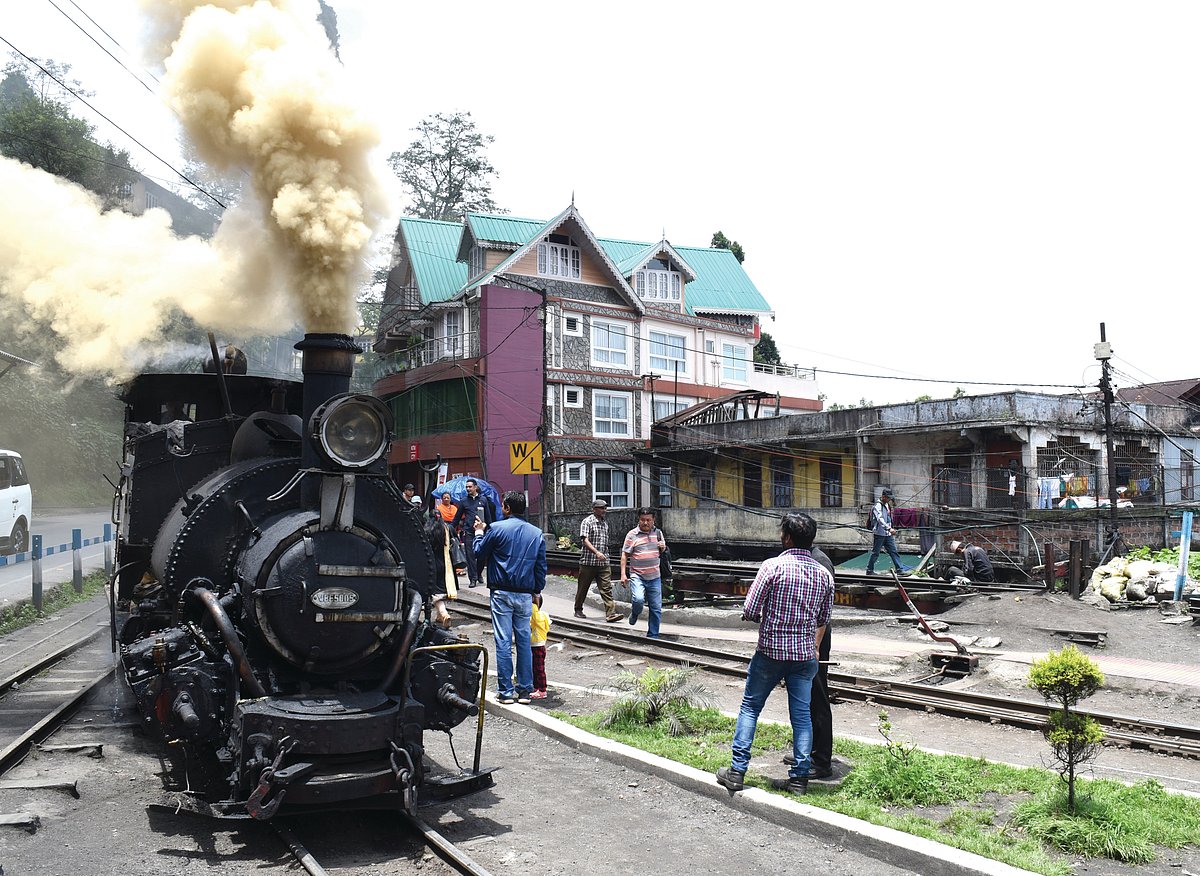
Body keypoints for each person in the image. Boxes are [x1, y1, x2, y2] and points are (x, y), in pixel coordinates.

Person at [716, 513, 833, 797]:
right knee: (802, 716)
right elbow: (824, 618)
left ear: (787, 537)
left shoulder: (772, 567)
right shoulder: (823, 574)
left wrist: (770, 617)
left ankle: (736, 772)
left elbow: (751, 610)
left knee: (750, 708)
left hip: (771, 652)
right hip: (805, 656)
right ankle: (799, 780)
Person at [473, 490, 546, 705]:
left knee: (503, 641)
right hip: (525, 595)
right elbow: (541, 567)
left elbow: (479, 552)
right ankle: (525, 690)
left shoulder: (495, 528)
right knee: (524, 641)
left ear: (506, 508)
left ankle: (506, 692)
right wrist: (537, 591)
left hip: (501, 592)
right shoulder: (536, 533)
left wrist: (479, 532)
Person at [783, 545, 838, 781]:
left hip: (813, 640)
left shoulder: (820, 562)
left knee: (817, 697)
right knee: (804, 698)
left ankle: (821, 761)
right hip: (803, 639)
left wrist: (815, 647)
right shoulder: (808, 559)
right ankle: (806, 752)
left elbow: (823, 612)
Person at [620, 507, 667, 639]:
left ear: (653, 520)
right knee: (638, 599)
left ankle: (653, 635)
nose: (645, 523)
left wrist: (663, 548)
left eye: (648, 520)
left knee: (656, 608)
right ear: (638, 520)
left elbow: (662, 550)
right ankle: (635, 614)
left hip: (655, 576)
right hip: (637, 575)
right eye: (642, 520)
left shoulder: (658, 533)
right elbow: (625, 555)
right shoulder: (632, 535)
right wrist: (623, 574)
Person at [576, 499, 622, 622]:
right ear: (594, 509)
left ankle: (611, 613)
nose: (604, 510)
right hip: (588, 562)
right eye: (601, 508)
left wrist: (604, 555)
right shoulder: (587, 522)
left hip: (603, 562)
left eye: (605, 508)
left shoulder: (605, 523)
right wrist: (596, 552)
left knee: (606, 588)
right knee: (583, 587)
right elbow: (585, 540)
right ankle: (578, 609)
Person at [452, 478, 493, 588]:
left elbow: (488, 517)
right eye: (467, 487)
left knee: (481, 555)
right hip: (469, 532)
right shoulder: (464, 501)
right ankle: (473, 578)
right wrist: (450, 528)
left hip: (481, 531)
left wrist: (490, 529)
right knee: (470, 556)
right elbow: (457, 518)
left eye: (470, 487)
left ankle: (479, 574)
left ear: (475, 487)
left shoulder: (483, 500)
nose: (468, 489)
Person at [865, 489, 911, 576]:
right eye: (888, 498)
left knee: (893, 551)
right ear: (883, 497)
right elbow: (880, 519)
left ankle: (899, 570)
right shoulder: (877, 506)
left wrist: (890, 529)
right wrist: (889, 528)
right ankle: (869, 570)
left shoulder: (886, 505)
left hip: (887, 534)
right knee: (875, 553)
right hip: (879, 533)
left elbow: (889, 518)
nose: (889, 499)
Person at [530, 593, 552, 699]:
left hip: (537, 645)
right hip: (538, 644)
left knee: (539, 668)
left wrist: (533, 604)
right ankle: (537, 687)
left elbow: (532, 617)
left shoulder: (537, 615)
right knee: (536, 667)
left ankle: (542, 690)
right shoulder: (542, 615)